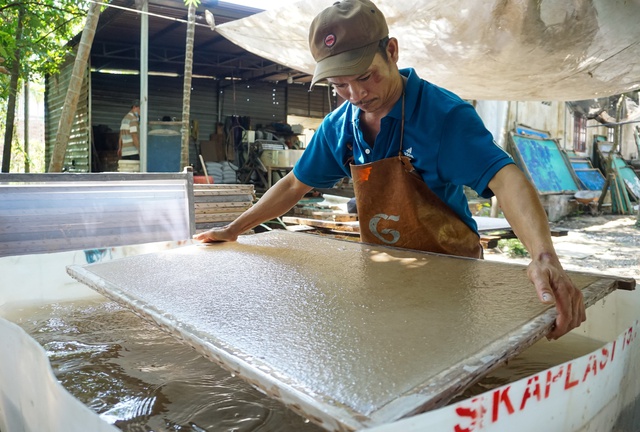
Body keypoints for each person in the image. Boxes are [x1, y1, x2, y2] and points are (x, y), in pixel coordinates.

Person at [194, 0, 585, 340]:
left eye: (365, 76)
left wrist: (543, 256)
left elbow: (506, 177)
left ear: (392, 51)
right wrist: (234, 229)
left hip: (451, 271)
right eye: (340, 86)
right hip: (383, 272)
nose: (357, 95)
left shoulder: (443, 116)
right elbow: (296, 183)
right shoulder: (341, 125)